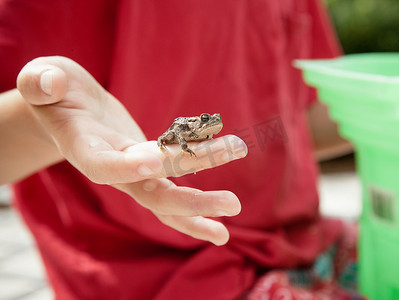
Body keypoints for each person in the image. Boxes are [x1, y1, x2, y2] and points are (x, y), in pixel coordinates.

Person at [0, 0, 358, 299]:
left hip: (304, 243)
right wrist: (43, 119)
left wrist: (395, 112)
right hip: (169, 275)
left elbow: (299, 119)